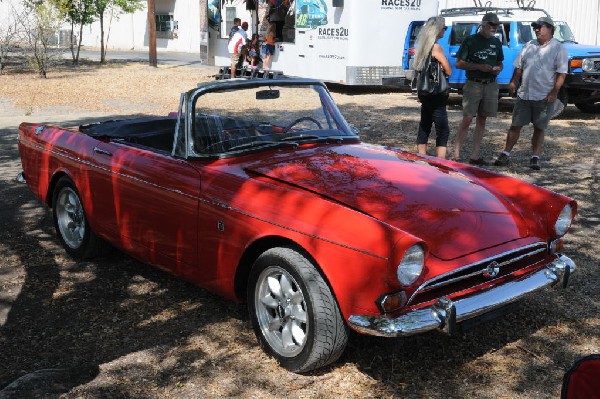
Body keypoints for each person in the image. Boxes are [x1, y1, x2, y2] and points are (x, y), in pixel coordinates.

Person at [494, 16, 568, 170]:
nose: (537, 29)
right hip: (524, 94)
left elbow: (561, 74)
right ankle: (505, 153)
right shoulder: (529, 45)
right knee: (515, 125)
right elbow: (519, 66)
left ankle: (535, 157)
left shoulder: (558, 48)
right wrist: (514, 81)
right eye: (536, 27)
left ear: (550, 30)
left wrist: (554, 92)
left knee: (539, 128)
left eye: (540, 27)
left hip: (544, 95)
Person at [453, 12, 504, 165]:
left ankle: (475, 155)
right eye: (491, 25)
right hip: (473, 83)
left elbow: (501, 63)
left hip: (490, 84)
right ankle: (456, 154)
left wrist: (497, 68)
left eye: (496, 26)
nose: (494, 28)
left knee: (482, 119)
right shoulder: (470, 40)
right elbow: (459, 64)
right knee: (468, 118)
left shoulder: (496, 42)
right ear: (483, 24)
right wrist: (479, 67)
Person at [413, 16, 452, 158]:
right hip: (436, 92)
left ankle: (421, 156)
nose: (445, 30)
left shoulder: (422, 47)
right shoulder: (436, 47)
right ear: (437, 30)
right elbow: (449, 71)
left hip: (424, 91)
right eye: (444, 28)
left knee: (425, 124)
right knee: (443, 129)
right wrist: (442, 66)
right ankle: (440, 161)